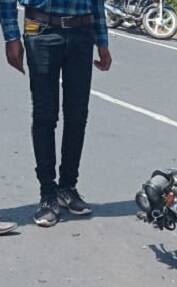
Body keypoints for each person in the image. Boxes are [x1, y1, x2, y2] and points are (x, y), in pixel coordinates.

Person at [1, 0, 112, 227]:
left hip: (82, 33)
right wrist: (11, 36)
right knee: (45, 115)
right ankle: (48, 195)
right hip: (41, 31)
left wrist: (102, 41)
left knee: (77, 114)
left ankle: (68, 187)